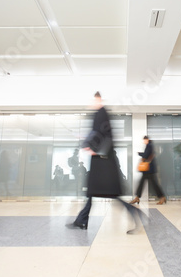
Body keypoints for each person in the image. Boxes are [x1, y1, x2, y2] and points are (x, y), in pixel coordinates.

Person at [66, 92, 142, 234]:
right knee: (91, 192)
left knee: (107, 194)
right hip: (102, 161)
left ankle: (133, 212)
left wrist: (91, 147)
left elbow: (102, 134)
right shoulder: (101, 113)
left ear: (99, 99)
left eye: (94, 100)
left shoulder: (101, 113)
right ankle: (81, 220)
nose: (92, 103)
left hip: (103, 163)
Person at [130, 136, 166, 205]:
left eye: (144, 140)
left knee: (153, 184)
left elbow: (146, 155)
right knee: (144, 183)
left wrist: (139, 153)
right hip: (148, 169)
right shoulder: (150, 146)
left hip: (149, 169)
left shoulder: (149, 145)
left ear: (147, 140)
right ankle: (137, 197)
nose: (144, 141)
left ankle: (161, 197)